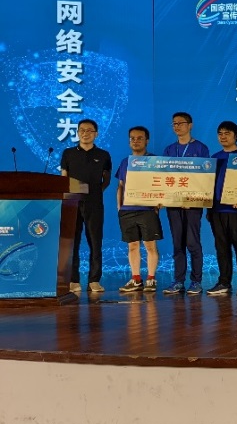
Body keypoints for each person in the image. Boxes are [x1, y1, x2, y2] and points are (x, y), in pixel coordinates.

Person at [60, 118, 112, 294]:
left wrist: (95, 192)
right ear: (77, 133)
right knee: (72, 242)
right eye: (82, 130)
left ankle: (94, 280)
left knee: (95, 242)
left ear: (96, 134)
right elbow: (64, 178)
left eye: (89, 130)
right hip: (72, 203)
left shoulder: (103, 155)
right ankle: (73, 280)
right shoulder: (68, 153)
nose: (85, 133)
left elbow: (106, 179)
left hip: (94, 203)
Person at [162, 112, 209, 295]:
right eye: (174, 123)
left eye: (181, 123)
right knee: (177, 244)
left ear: (190, 125)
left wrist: (194, 199)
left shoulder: (200, 148)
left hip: (193, 204)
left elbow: (205, 177)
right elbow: (164, 176)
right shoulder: (169, 150)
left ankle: (196, 281)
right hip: (173, 203)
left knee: (192, 243)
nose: (177, 126)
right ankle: (178, 281)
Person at [114, 126, 161, 293]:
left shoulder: (154, 161)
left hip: (147, 209)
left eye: (140, 138)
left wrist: (158, 203)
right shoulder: (125, 162)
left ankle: (151, 279)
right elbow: (120, 186)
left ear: (147, 141)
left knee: (150, 245)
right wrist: (119, 207)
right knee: (132, 246)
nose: (136, 141)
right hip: (127, 210)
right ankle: (136, 279)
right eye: (132, 138)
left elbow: (161, 184)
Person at [206, 121, 237, 296]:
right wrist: (208, 208)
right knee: (221, 248)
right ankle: (224, 282)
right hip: (217, 210)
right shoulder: (214, 158)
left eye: (227, 133)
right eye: (220, 133)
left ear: (236, 136)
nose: (223, 136)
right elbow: (208, 185)